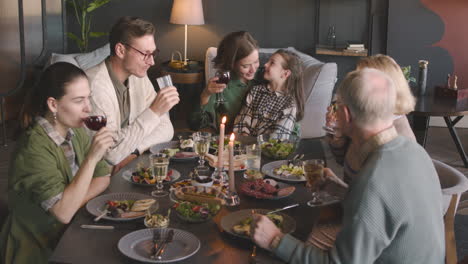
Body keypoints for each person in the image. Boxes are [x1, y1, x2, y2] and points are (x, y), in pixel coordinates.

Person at [251, 69, 445, 264]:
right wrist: (344, 193)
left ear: (345, 114)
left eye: (336, 106)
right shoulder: (416, 151)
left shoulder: (373, 179)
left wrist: (274, 240)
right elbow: (387, 212)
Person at [0, 62, 113, 263]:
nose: (88, 108)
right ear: (53, 104)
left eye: (88, 98)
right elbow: (63, 212)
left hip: (67, 235)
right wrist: (92, 158)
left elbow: (103, 177)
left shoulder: (75, 129)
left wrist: (73, 201)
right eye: (79, 100)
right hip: (37, 249)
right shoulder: (33, 148)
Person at [86, 16, 179, 172]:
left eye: (153, 53)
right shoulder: (94, 87)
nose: (152, 62)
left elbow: (166, 127)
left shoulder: (137, 76)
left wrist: (135, 152)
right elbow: (109, 154)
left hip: (126, 165)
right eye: (145, 54)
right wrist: (154, 111)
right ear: (121, 50)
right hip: (97, 174)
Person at [326, 54, 417, 182]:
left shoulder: (395, 142)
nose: (353, 83)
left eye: (360, 77)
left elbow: (368, 196)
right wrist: (339, 134)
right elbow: (345, 162)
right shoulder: (369, 120)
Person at [188, 31, 260, 132]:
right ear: (232, 64)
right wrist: (205, 95)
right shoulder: (221, 85)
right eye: (245, 66)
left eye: (256, 62)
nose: (253, 70)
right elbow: (195, 125)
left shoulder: (265, 77)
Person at [233, 49, 304, 137]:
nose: (265, 64)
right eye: (268, 61)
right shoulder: (256, 91)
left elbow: (277, 139)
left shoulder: (289, 105)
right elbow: (242, 123)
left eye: (272, 63)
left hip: (267, 149)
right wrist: (244, 139)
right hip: (244, 146)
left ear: (285, 73)